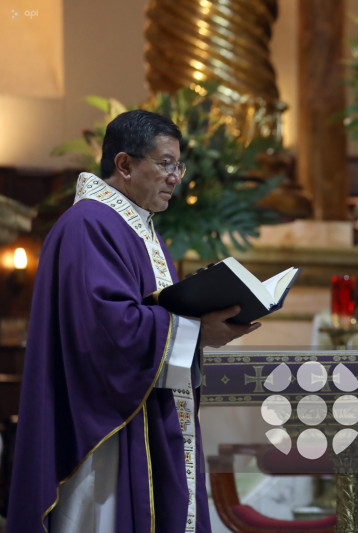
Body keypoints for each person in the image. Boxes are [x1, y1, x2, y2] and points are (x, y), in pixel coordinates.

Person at [7, 110, 260, 532]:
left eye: (178, 165)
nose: (175, 176)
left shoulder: (136, 227)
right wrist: (198, 334)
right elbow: (110, 332)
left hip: (140, 413)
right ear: (124, 165)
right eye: (164, 163)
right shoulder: (90, 224)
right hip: (105, 435)